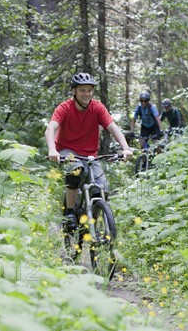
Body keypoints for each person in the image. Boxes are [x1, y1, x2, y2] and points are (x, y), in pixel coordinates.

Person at [45, 72, 133, 230]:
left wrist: (125, 148)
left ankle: (91, 219)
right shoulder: (65, 108)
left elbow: (113, 128)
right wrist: (52, 150)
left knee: (102, 188)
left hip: (91, 154)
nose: (87, 94)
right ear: (74, 91)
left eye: (89, 90)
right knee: (75, 170)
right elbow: (51, 128)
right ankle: (70, 213)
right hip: (67, 150)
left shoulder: (97, 107)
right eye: (82, 90)